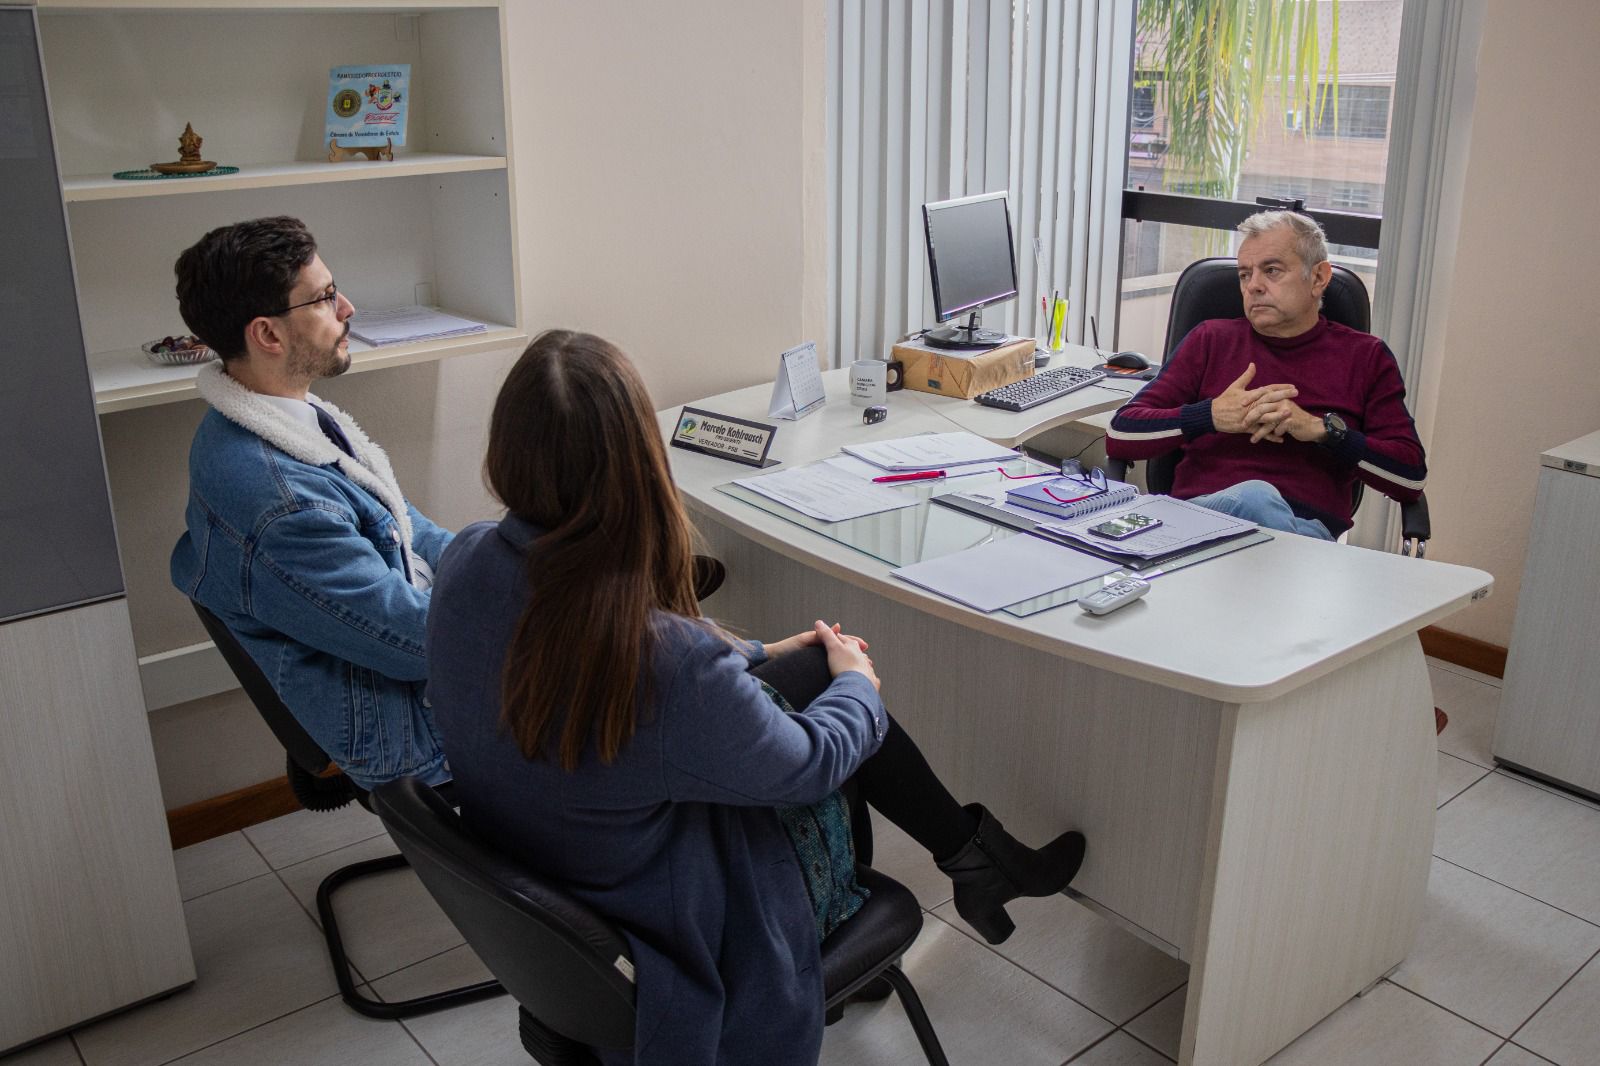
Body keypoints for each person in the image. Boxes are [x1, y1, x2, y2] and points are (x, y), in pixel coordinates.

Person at [425, 330, 1086, 1066]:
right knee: (840, 703)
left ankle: (974, 859)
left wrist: (763, 655)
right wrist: (857, 689)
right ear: (638, 464)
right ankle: (956, 869)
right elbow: (806, 764)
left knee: (805, 673)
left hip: (563, 878)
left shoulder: (467, 560)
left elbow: (659, 660)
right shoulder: (660, 664)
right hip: (676, 919)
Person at [169, 216, 453, 789]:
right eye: (324, 299)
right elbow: (416, 644)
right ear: (268, 336)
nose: (347, 307)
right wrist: (541, 615)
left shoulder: (277, 417)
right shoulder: (280, 501)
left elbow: (405, 526)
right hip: (415, 733)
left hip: (414, 669)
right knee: (630, 689)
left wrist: (513, 567)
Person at [1106, 209, 1426, 541]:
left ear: (1318, 278)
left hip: (1306, 535)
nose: (1254, 286)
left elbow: (1410, 477)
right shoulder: (1210, 340)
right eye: (1245, 275)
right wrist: (1210, 415)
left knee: (1269, 516)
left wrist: (1322, 431)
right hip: (1199, 523)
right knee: (1256, 499)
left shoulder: (1365, 357)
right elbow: (1121, 431)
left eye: (1271, 271)